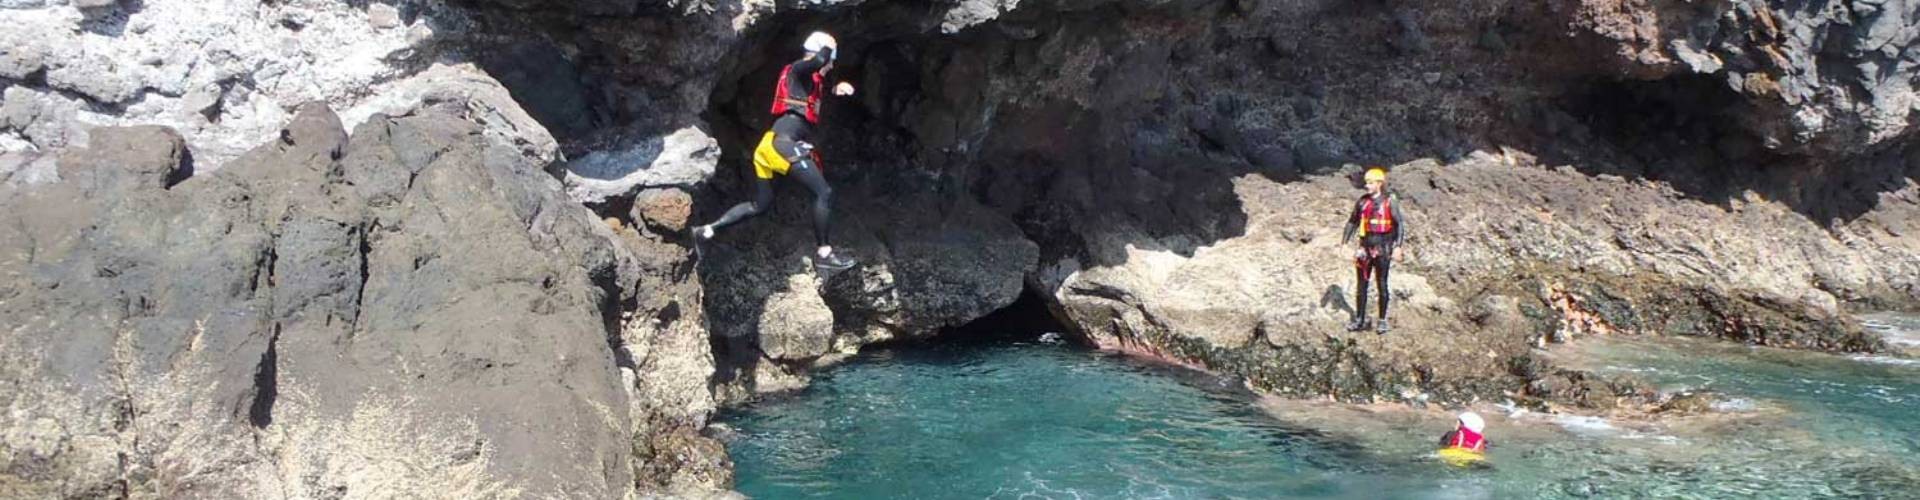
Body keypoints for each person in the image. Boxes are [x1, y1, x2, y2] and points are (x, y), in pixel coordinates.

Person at [692, 31, 858, 270]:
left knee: (760, 205)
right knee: (824, 193)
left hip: (769, 146)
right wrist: (828, 45)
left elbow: (818, 86)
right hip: (781, 144)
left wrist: (837, 88)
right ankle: (824, 253)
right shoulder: (798, 69)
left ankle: (705, 231)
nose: (831, 66)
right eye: (832, 61)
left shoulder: (810, 81)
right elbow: (818, 63)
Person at [1341, 167, 1405, 333]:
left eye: (1370, 183)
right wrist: (1344, 243)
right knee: (1361, 284)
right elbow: (1352, 222)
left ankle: (1382, 320)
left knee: (1381, 283)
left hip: (1383, 249)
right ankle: (1359, 319)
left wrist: (1397, 247)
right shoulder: (1363, 202)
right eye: (1366, 183)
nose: (1366, 186)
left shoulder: (1390, 201)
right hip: (1365, 248)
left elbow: (1399, 225)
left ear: (1379, 183)